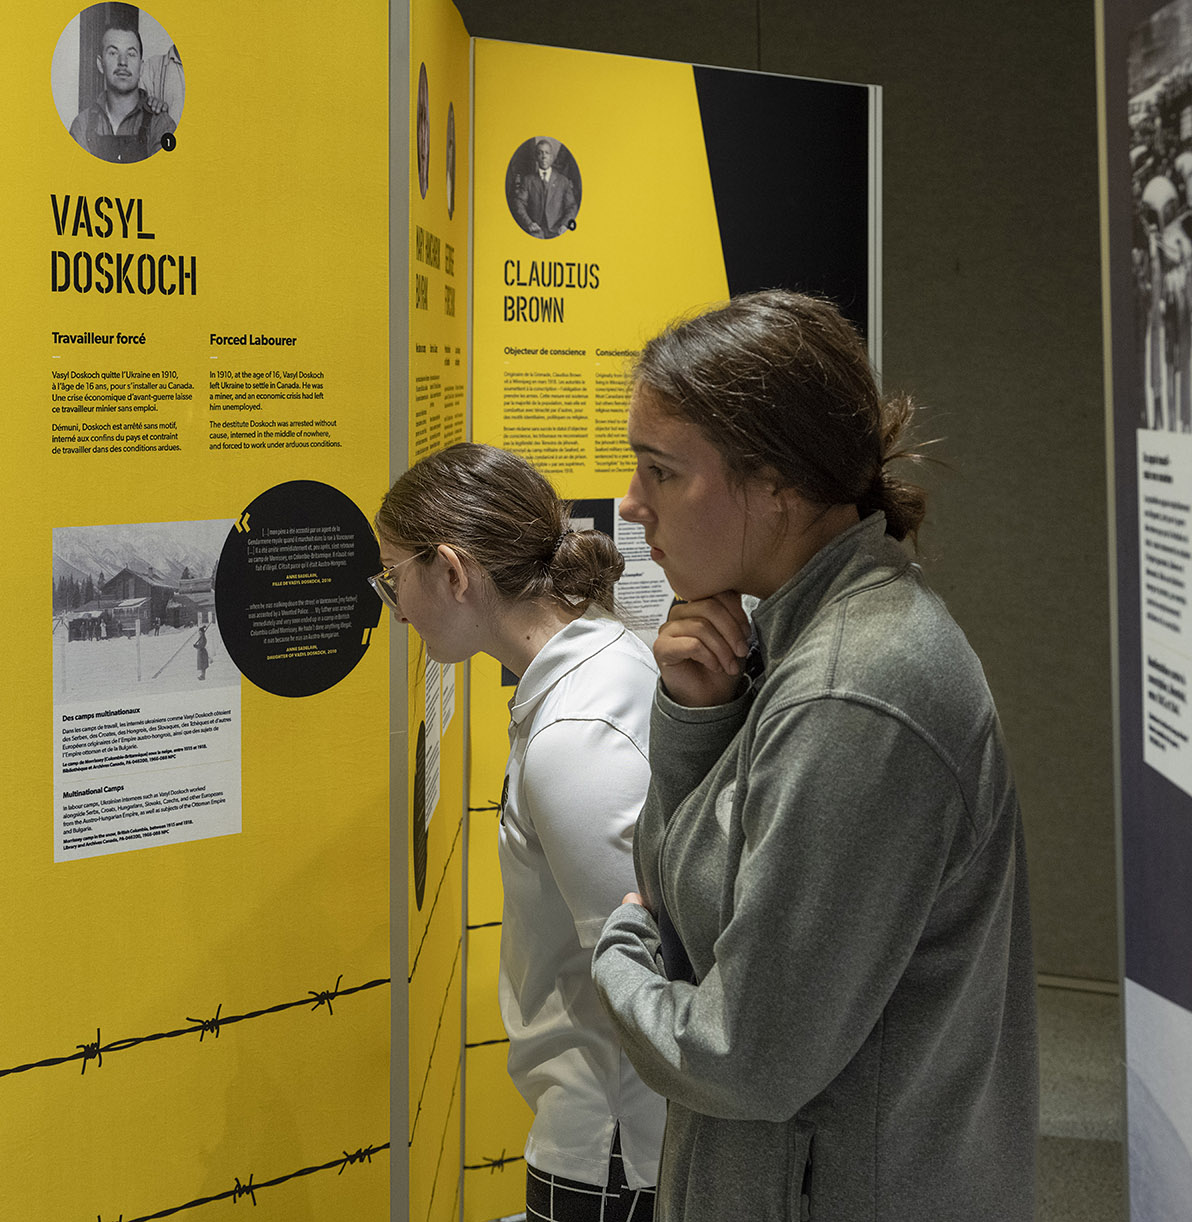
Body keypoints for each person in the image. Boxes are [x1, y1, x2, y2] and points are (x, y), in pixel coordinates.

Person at [590, 290, 1038, 1221]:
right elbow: (688, 904)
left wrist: (618, 956)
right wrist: (696, 717)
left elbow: (744, 1058)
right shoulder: (796, 642)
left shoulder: (853, 691)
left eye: (661, 472)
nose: (631, 506)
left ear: (779, 487)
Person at [373, 443, 665, 1222]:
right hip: (617, 1134)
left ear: (452, 572)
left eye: (393, 577)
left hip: (610, 1143)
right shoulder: (602, 658)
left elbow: (644, 981)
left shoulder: (576, 731)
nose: (394, 606)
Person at [69, 25, 176, 164]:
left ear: (141, 67)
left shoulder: (161, 124)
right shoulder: (82, 125)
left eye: (131, 54)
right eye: (113, 53)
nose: (123, 62)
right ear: (101, 64)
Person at [514, 140, 579, 238]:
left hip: (557, 229)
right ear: (536, 158)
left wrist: (565, 224)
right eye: (540, 153)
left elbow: (572, 206)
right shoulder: (528, 180)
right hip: (536, 230)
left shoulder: (563, 181)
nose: (543, 156)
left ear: (552, 157)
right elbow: (519, 203)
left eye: (547, 153)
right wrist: (529, 223)